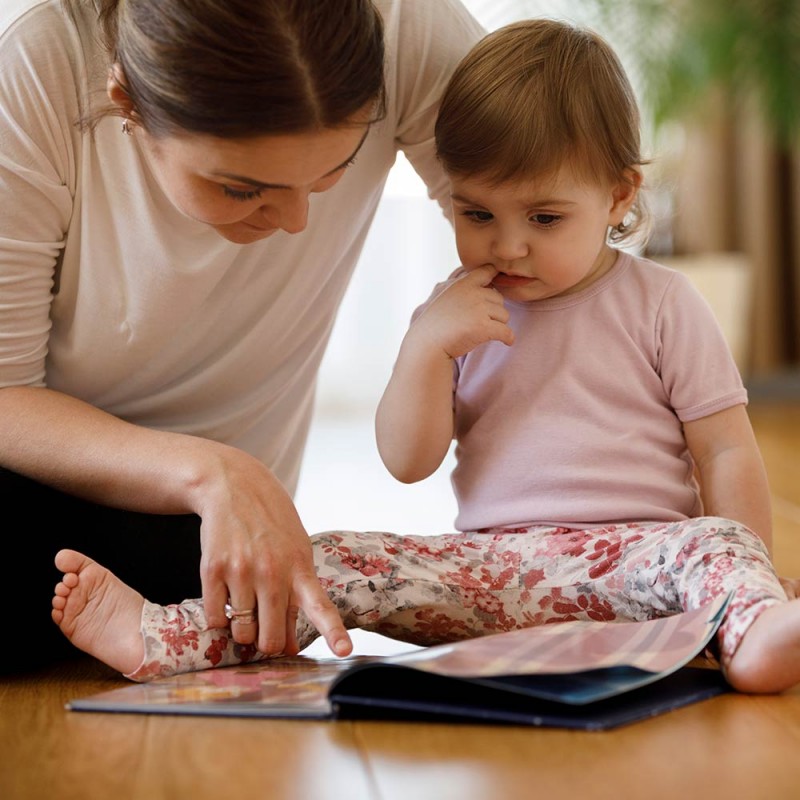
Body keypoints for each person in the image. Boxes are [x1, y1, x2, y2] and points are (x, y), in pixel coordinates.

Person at [51, 18, 800, 695]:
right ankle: (163, 637)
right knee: (325, 558)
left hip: (643, 562)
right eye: (476, 213)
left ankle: (747, 630)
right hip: (489, 574)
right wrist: (426, 347)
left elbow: (726, 451)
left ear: (617, 195)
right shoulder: (453, 311)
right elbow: (407, 461)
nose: (508, 245)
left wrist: (748, 570)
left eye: (544, 217)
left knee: (721, 541)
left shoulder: (664, 302)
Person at [0, 0, 487, 673]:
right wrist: (208, 471)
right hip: (42, 484)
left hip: (207, 546)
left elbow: (546, 224)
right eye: (241, 188)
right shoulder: (39, 61)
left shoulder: (403, 31)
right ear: (126, 103)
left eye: (330, 173)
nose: (294, 220)